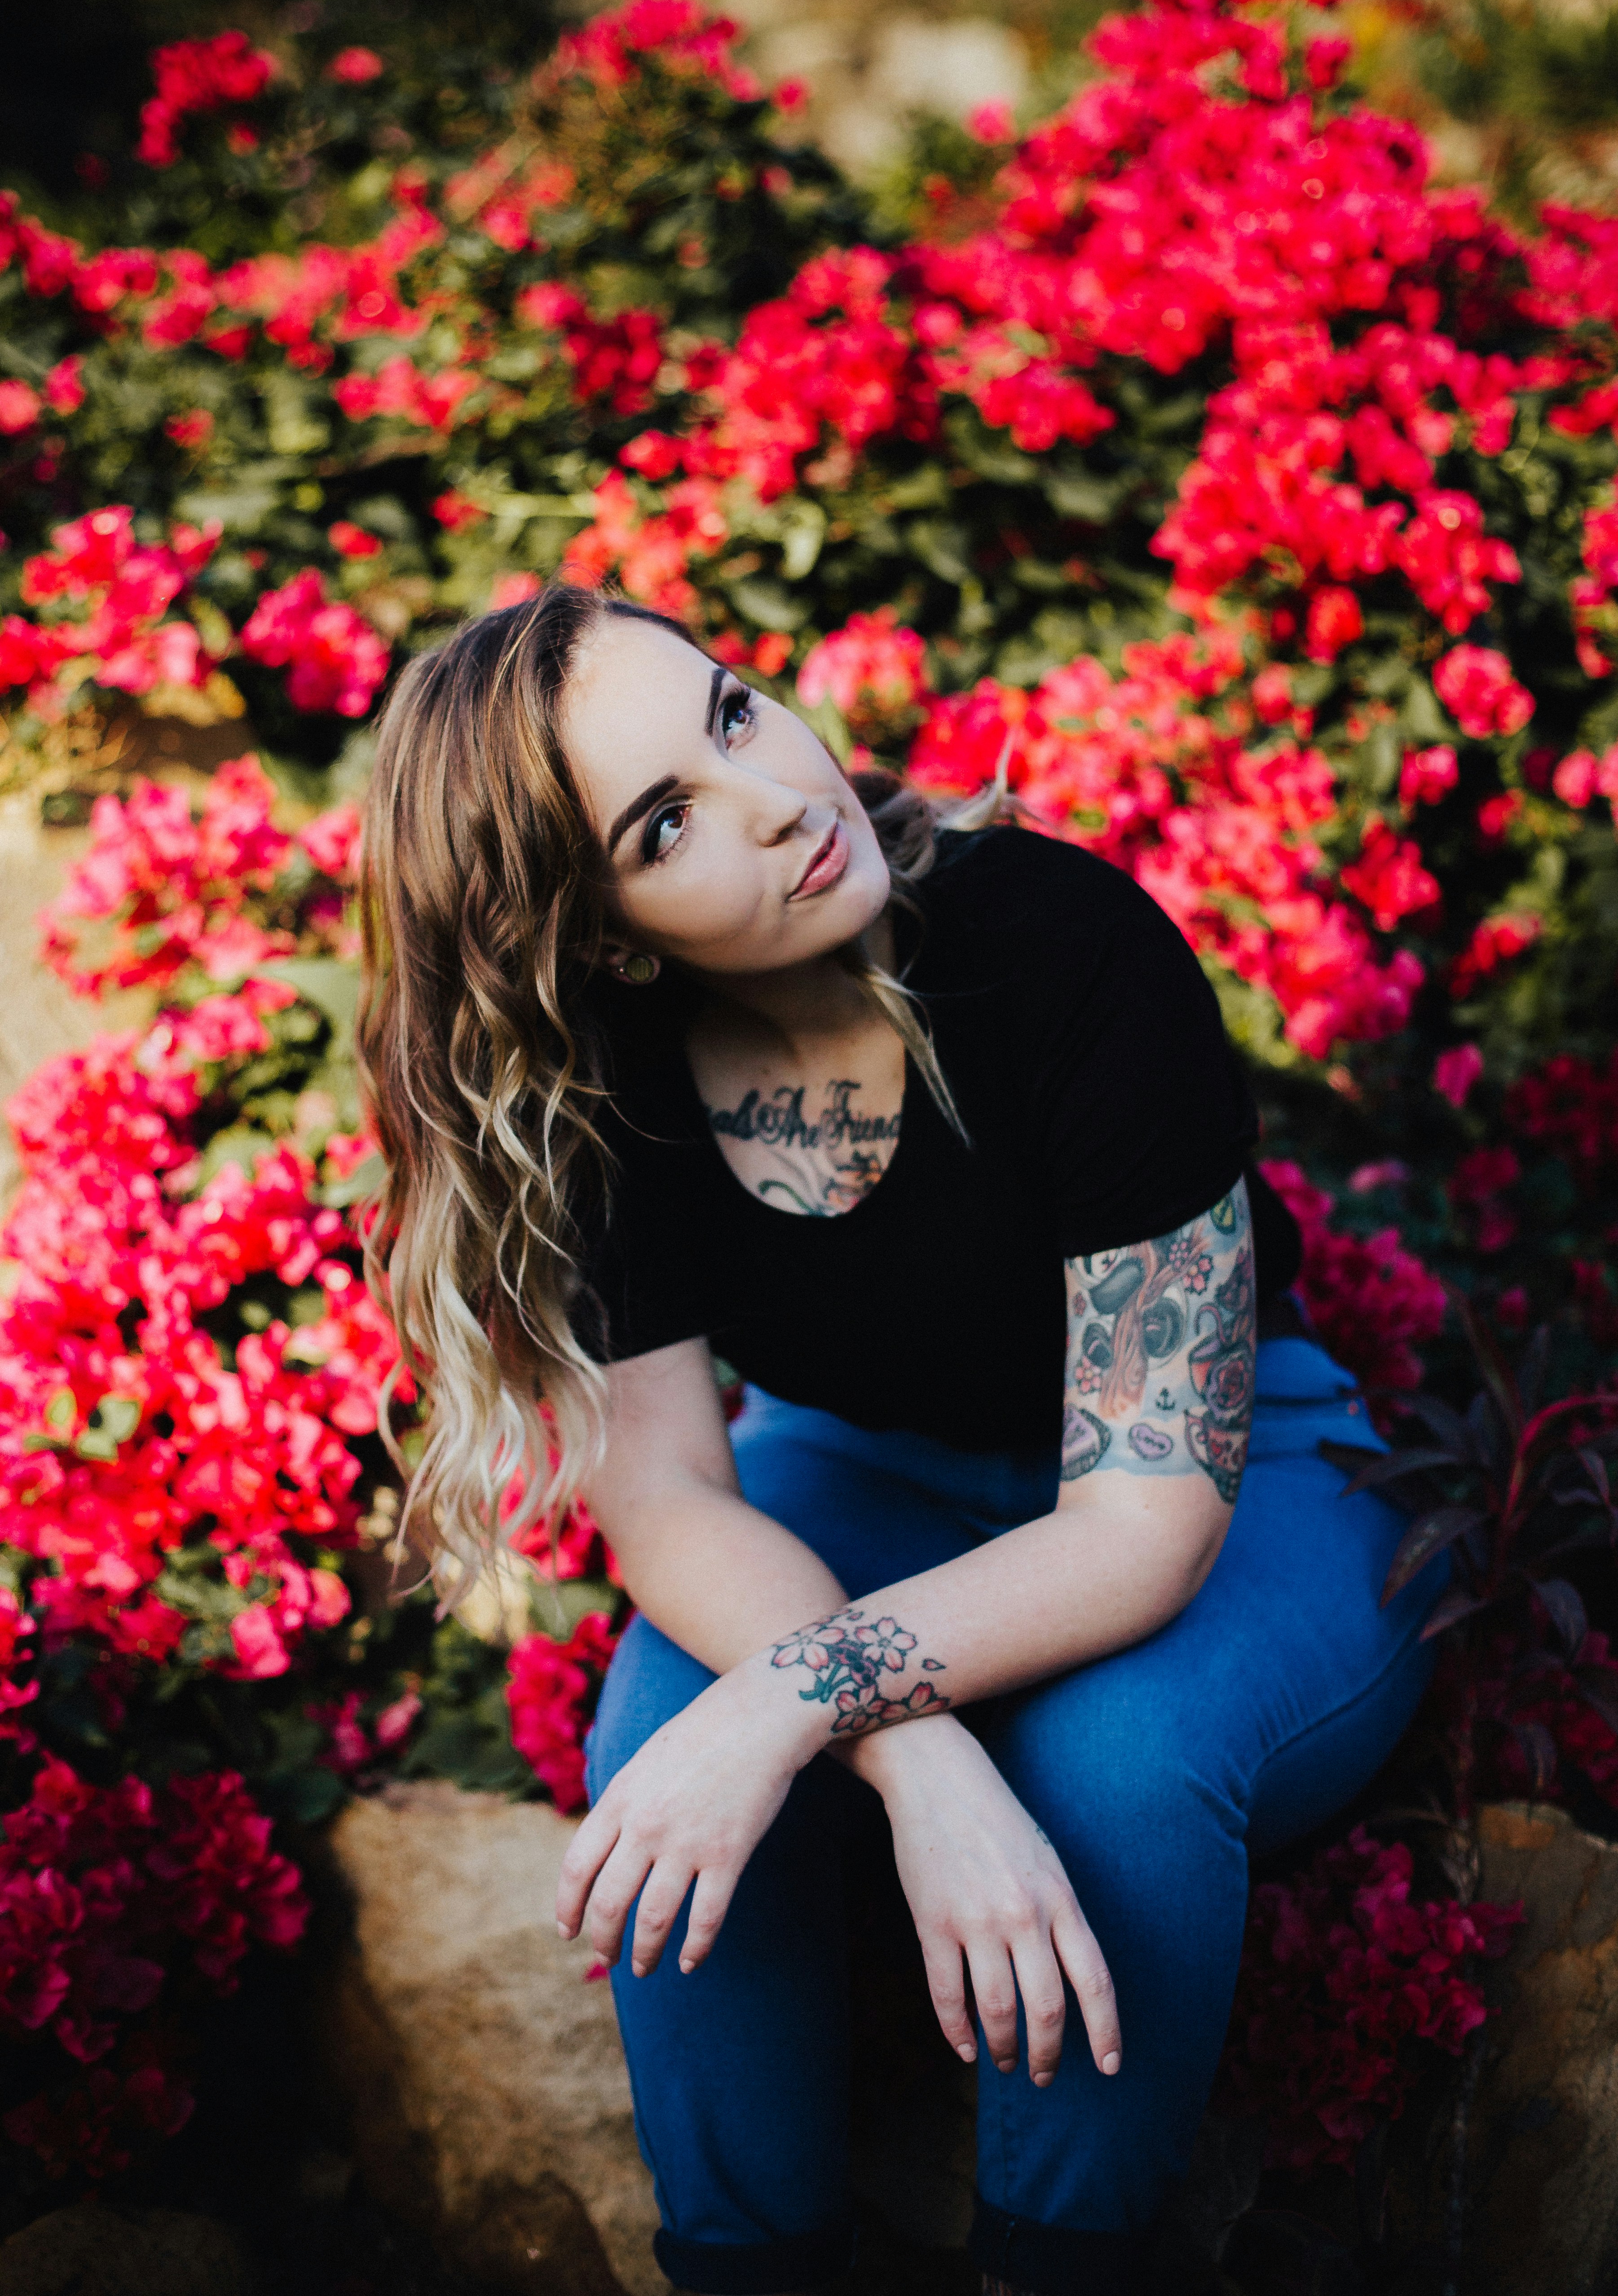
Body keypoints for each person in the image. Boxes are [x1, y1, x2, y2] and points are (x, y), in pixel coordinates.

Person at [357, 584, 1444, 2296]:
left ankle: (1053, 2263)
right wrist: (914, 1748)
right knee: (665, 1736)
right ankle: (752, 2269)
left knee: (1111, 1767)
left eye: (730, 712)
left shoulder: (1058, 942)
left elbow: (1141, 1527)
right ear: (609, 937)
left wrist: (805, 1700)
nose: (779, 792)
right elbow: (667, 1497)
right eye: (665, 823)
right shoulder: (606, 1075)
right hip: (862, 1471)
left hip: (1233, 1477)